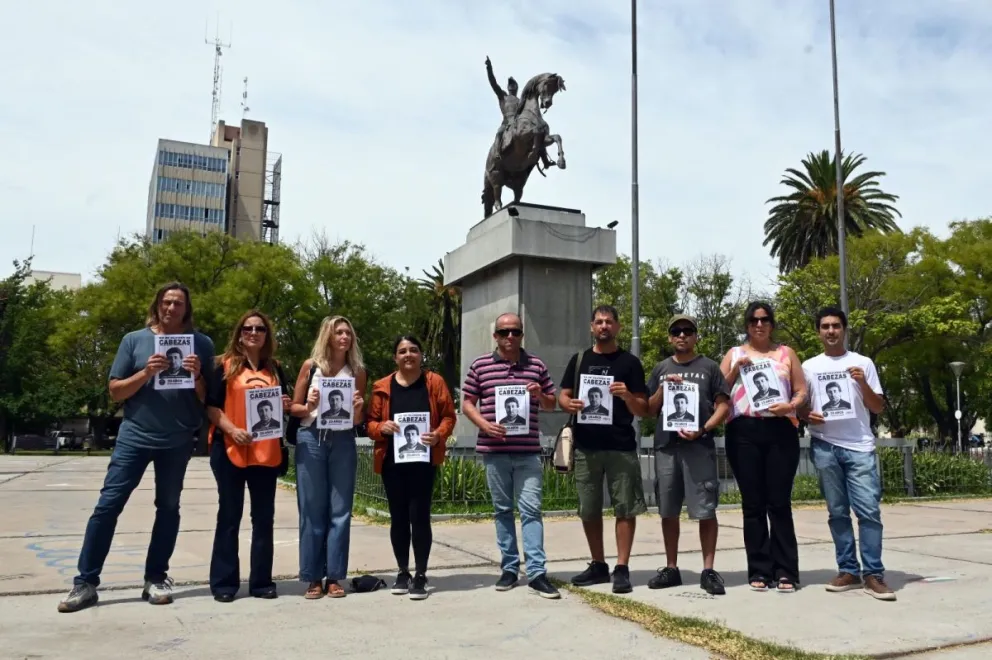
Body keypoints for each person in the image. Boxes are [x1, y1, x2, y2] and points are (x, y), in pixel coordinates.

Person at [58, 282, 215, 613]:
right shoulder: (134, 340)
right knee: (108, 505)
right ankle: (85, 582)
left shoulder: (201, 344)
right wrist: (146, 372)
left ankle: (156, 577)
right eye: (166, 302)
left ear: (187, 309)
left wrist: (198, 376)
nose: (171, 308)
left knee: (168, 507)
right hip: (136, 435)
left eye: (178, 304)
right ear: (157, 305)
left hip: (177, 439)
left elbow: (208, 401)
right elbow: (115, 391)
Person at [462, 313, 560, 598]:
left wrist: (540, 394)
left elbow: (552, 404)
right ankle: (509, 568)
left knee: (531, 510)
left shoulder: (536, 365)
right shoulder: (481, 365)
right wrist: (484, 425)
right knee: (502, 511)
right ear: (495, 335)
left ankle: (538, 572)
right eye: (504, 332)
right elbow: (468, 401)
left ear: (521, 335)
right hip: (494, 451)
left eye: (515, 332)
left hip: (528, 452)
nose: (509, 337)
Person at [800, 307, 894, 601]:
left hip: (859, 446)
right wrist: (807, 416)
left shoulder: (862, 363)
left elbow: (877, 407)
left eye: (836, 326)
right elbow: (801, 406)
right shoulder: (808, 366)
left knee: (868, 511)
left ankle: (874, 574)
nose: (831, 331)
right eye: (825, 326)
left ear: (844, 329)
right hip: (825, 444)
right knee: (837, 513)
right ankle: (848, 570)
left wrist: (862, 383)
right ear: (818, 331)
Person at [719, 302, 808, 593]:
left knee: (779, 502)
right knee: (753, 503)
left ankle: (786, 571)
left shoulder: (786, 354)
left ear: (772, 324)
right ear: (747, 325)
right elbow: (719, 392)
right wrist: (734, 370)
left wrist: (791, 406)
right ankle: (759, 569)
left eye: (765, 319)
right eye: (754, 320)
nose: (760, 325)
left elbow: (801, 390)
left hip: (780, 429)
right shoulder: (734, 354)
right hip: (744, 431)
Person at [560, 305, 649, 594]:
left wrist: (626, 397)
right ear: (591, 327)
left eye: (609, 322)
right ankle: (598, 564)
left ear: (618, 327)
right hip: (586, 447)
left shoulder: (630, 363)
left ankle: (621, 567)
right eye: (599, 322)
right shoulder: (579, 360)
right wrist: (568, 404)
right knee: (588, 509)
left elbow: (644, 408)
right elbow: (563, 395)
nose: (604, 326)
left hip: (620, 446)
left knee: (625, 508)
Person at [205, 310, 292, 602]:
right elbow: (211, 406)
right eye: (247, 328)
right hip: (230, 449)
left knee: (264, 519)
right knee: (229, 516)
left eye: (259, 329)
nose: (253, 333)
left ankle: (261, 582)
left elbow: (285, 407)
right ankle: (224, 583)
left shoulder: (276, 369)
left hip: (266, 454)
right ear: (239, 333)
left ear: (267, 335)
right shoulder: (223, 366)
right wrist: (232, 429)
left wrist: (284, 403)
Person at [646, 314, 731, 595]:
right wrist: (662, 387)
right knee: (668, 510)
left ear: (696, 336)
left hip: (699, 447)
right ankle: (671, 568)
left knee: (705, 510)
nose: (682, 335)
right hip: (667, 448)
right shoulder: (661, 368)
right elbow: (648, 408)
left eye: (688, 330)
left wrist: (704, 429)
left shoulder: (709, 367)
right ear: (670, 337)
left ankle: (708, 570)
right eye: (676, 331)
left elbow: (723, 406)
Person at [367, 335, 456, 600]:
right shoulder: (382, 386)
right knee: (398, 518)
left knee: (419, 516)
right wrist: (380, 428)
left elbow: (449, 415)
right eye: (402, 351)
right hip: (392, 462)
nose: (408, 355)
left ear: (421, 355)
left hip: (424, 461)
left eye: (413, 350)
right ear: (395, 357)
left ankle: (421, 574)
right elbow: (370, 423)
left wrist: (439, 434)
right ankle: (403, 571)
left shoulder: (434, 382)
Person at [290, 316, 366, 599]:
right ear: (328, 336)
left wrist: (358, 408)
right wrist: (307, 405)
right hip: (312, 438)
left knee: (340, 510)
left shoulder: (357, 370)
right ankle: (312, 577)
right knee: (311, 510)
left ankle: (334, 576)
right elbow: (294, 408)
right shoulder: (311, 368)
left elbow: (358, 419)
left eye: (348, 332)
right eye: (339, 332)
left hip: (343, 440)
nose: (344, 337)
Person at [485, 55, 520, 153]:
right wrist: (489, 68)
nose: (511, 86)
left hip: (519, 124)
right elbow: (493, 83)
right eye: (510, 84)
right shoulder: (503, 96)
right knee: (499, 133)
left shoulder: (520, 100)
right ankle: (496, 153)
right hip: (507, 123)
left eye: (513, 84)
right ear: (508, 87)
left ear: (517, 87)